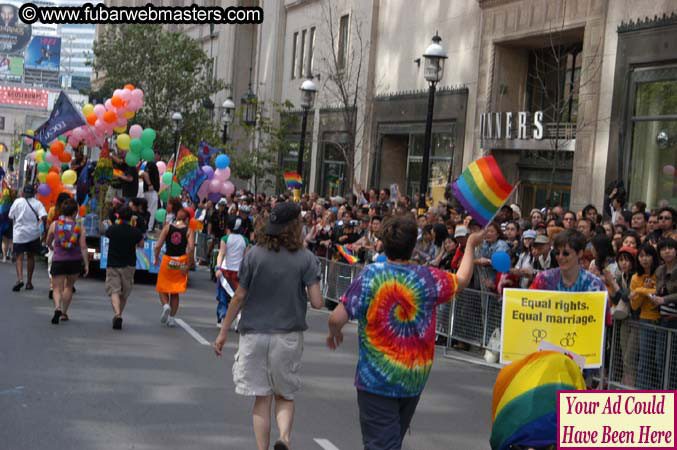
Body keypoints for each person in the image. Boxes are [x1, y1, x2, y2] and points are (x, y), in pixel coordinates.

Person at [325, 215, 483, 450]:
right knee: (391, 441)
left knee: (383, 444)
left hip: (376, 379)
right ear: (413, 246)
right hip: (413, 378)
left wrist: (334, 332)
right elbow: (461, 279)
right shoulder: (428, 277)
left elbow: (337, 317)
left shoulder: (371, 275)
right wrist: (469, 245)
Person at [212, 202, 324, 450]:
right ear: (296, 227)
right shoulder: (306, 258)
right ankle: (284, 438)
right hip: (287, 335)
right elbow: (317, 302)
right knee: (284, 395)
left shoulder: (254, 254)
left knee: (261, 398)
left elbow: (239, 296)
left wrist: (223, 333)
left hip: (254, 334)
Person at [45, 198, 88, 324]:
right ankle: (64, 313)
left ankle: (57, 307)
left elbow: (48, 240)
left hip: (58, 260)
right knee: (69, 286)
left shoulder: (55, 225)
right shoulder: (79, 227)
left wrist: (51, 247)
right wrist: (86, 264)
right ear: (75, 212)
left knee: (57, 288)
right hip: (74, 261)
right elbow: (83, 247)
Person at [154, 207, 195, 327]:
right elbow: (191, 248)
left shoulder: (167, 227)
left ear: (177, 216)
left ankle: (166, 305)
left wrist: (156, 257)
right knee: (175, 291)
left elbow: (158, 245)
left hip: (168, 260)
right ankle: (171, 318)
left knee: (162, 288)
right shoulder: (189, 230)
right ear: (187, 219)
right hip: (181, 262)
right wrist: (189, 264)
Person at [104, 206, 144, 330]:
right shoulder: (135, 231)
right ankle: (119, 314)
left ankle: (117, 314)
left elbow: (107, 234)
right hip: (129, 264)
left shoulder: (112, 229)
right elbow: (141, 244)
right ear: (131, 217)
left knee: (114, 290)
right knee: (124, 293)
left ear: (118, 216)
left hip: (113, 263)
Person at [631, 244, 660, 389]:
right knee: (644, 359)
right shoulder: (635, 278)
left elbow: (661, 293)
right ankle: (643, 392)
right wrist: (645, 291)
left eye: (648, 255)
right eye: (641, 256)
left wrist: (641, 290)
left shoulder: (660, 273)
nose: (645, 259)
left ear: (654, 257)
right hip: (645, 319)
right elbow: (635, 305)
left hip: (662, 321)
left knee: (660, 360)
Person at [9, 185, 47, 291]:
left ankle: (20, 279)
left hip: (19, 234)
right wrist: (45, 230)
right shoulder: (37, 203)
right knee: (31, 257)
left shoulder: (17, 202)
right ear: (34, 193)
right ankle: (29, 282)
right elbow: (44, 216)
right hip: (33, 234)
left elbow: (10, 216)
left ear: (23, 193)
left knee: (19, 257)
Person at [215, 216, 248, 328]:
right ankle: (238, 317)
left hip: (225, 272)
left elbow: (221, 254)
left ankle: (222, 317)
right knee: (238, 296)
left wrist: (218, 268)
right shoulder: (245, 240)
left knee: (223, 296)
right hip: (239, 273)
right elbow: (246, 259)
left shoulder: (225, 239)